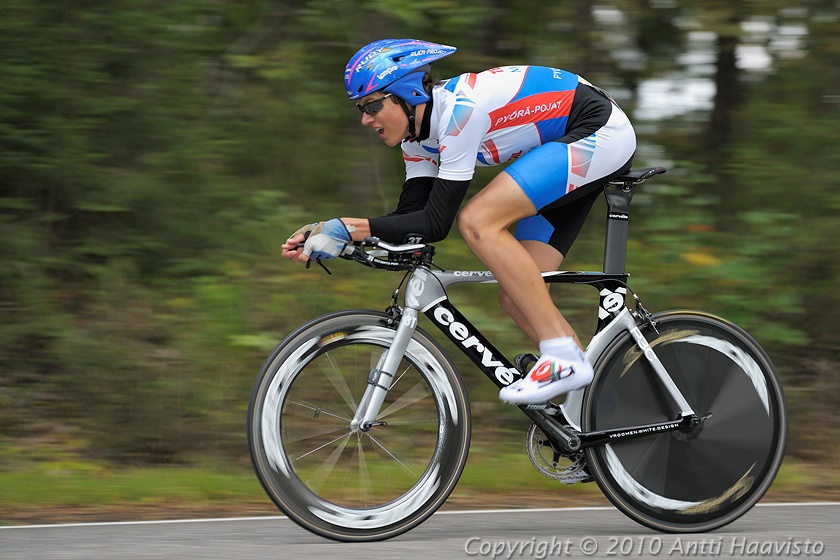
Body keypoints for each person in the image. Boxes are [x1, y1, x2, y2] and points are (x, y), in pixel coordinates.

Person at [281, 39, 636, 405]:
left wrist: (348, 227)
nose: (364, 119)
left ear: (406, 95)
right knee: (518, 296)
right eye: (361, 109)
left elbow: (438, 223)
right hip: (560, 148)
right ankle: (595, 421)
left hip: (598, 130)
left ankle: (562, 356)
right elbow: (411, 221)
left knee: (478, 220)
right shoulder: (416, 140)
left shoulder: (458, 112)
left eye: (372, 106)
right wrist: (336, 236)